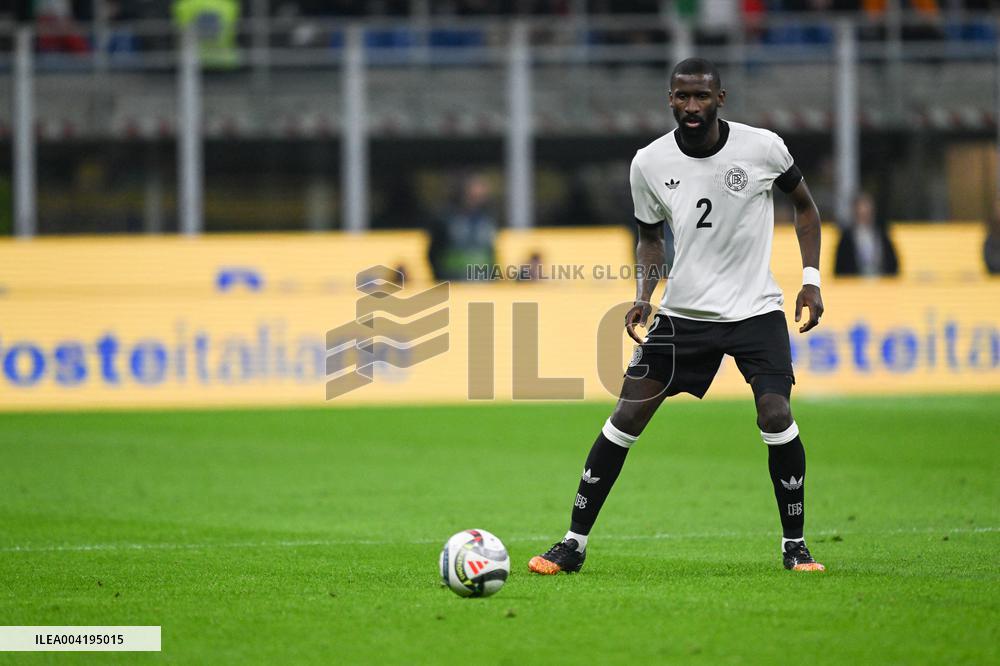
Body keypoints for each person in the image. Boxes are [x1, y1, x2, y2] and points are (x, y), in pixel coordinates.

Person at [528, 58, 827, 575]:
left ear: (721, 99)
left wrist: (811, 279)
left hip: (755, 309)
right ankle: (573, 543)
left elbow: (805, 208)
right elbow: (648, 238)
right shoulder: (648, 163)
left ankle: (795, 545)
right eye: (683, 97)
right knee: (626, 414)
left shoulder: (763, 148)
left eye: (702, 97)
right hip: (683, 313)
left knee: (775, 413)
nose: (692, 106)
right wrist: (644, 293)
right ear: (669, 99)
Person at [834, 192, 899, 276]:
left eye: (867, 211)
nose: (864, 214)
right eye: (861, 212)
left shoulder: (882, 234)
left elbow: (893, 264)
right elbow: (839, 268)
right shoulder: (846, 237)